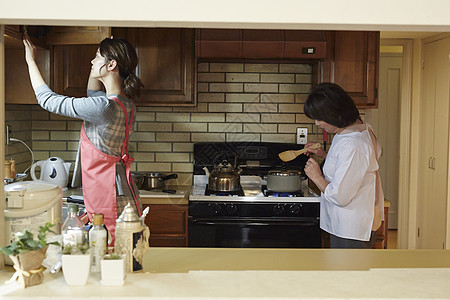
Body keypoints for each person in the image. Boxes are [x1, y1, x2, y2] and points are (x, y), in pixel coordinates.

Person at [23, 33, 143, 245]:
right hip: (120, 189)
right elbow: (91, 92)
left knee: (111, 253)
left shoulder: (103, 107)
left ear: (111, 64)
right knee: (120, 253)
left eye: (97, 57)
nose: (92, 61)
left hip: (109, 193)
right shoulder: (124, 103)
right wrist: (100, 55)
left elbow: (47, 100)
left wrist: (30, 60)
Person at [303, 82, 384, 249]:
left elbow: (340, 196)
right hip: (350, 224)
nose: (318, 123)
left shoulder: (353, 144)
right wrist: (324, 155)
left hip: (352, 228)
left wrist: (317, 177)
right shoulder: (360, 129)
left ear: (337, 115)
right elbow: (355, 167)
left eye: (320, 118)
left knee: (348, 273)